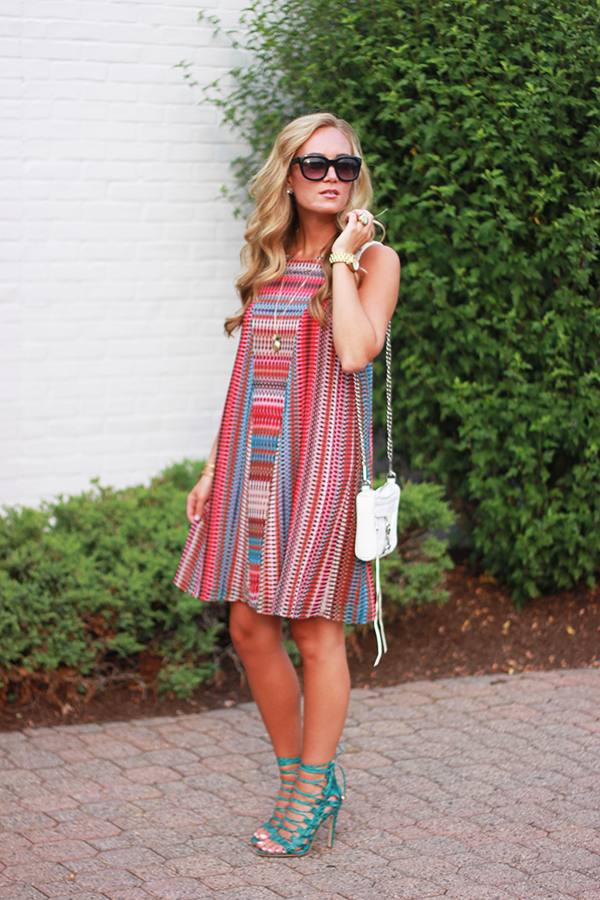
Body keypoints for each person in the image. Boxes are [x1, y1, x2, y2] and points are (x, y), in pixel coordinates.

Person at [174, 112, 400, 857]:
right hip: (255, 457)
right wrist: (215, 466)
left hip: (325, 461)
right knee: (247, 626)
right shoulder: (267, 260)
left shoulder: (376, 261)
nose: (332, 176)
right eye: (315, 164)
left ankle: (311, 788)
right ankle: (299, 778)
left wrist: (343, 257)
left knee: (314, 628)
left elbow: (355, 352)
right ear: (289, 172)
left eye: (345, 165)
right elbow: (247, 376)